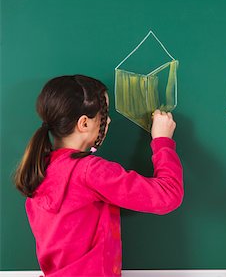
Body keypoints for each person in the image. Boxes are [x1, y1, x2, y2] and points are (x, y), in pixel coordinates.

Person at [14, 75, 183, 276]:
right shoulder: (90, 172)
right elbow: (168, 196)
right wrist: (163, 141)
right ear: (84, 123)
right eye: (105, 113)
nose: (109, 120)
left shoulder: (40, 168)